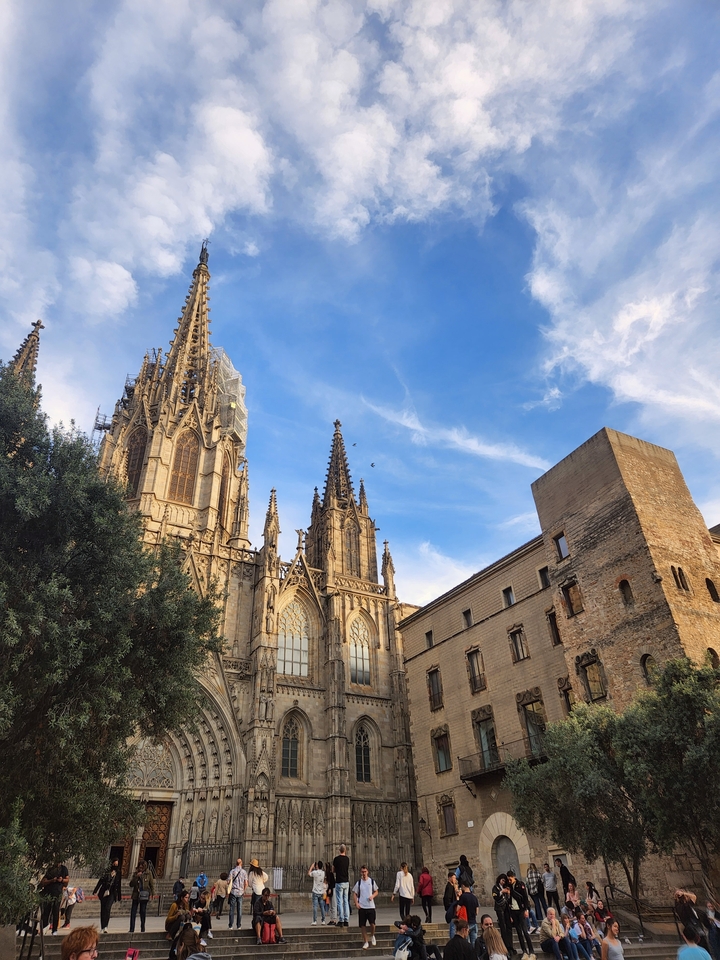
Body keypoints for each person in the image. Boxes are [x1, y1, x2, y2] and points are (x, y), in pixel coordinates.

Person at [506, 868, 534, 956]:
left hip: (520, 910)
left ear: (513, 877)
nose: (509, 881)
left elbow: (525, 897)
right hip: (513, 910)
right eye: (508, 879)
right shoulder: (508, 886)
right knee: (519, 932)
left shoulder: (520, 884)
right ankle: (524, 950)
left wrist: (526, 909)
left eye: (510, 879)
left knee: (525, 931)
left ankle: (531, 949)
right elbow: (509, 899)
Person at [352, 864, 379, 950]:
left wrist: (372, 896)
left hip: (371, 906)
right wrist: (356, 903)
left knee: (372, 924)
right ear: (361, 872)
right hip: (362, 906)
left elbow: (376, 891)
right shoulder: (359, 883)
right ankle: (366, 942)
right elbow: (355, 894)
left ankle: (372, 935)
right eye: (362, 872)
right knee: (362, 925)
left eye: (365, 872)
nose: (364, 873)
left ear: (367, 872)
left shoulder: (371, 881)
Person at [41, 863, 70, 935]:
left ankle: (54, 930)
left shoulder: (64, 869)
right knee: (46, 911)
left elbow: (67, 880)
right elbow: (43, 881)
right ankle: (44, 928)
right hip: (48, 893)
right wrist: (52, 880)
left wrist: (62, 880)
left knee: (56, 912)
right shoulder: (50, 869)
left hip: (58, 893)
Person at [129, 859, 155, 934]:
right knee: (133, 912)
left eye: (142, 867)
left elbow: (151, 884)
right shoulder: (135, 874)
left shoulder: (148, 873)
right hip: (136, 895)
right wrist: (136, 877)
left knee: (142, 911)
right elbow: (131, 884)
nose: (140, 868)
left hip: (144, 895)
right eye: (139, 867)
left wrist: (153, 893)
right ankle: (131, 928)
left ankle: (142, 927)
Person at [492, 874, 513, 955]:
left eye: (504, 881)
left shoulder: (506, 887)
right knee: (503, 927)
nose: (503, 882)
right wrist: (501, 892)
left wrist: (508, 892)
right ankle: (505, 946)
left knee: (509, 927)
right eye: (502, 880)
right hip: (499, 908)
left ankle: (510, 946)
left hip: (506, 908)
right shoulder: (496, 887)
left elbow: (509, 898)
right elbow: (495, 896)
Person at [459, 879, 480, 948]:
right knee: (474, 945)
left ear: (463, 886)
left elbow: (458, 908)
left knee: (466, 944)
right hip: (474, 922)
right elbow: (477, 911)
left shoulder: (463, 896)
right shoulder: (474, 897)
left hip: (466, 923)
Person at [334, 843, 351, 927]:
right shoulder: (347, 859)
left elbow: (333, 869)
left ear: (339, 850)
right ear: (345, 850)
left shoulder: (336, 859)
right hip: (346, 882)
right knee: (346, 901)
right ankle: (346, 920)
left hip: (339, 881)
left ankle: (341, 920)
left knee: (339, 901)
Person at [228, 857, 247, 929]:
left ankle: (230, 925)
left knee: (232, 909)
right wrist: (244, 890)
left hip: (233, 892)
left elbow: (228, 881)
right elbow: (246, 883)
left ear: (236, 864)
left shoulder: (232, 871)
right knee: (239, 909)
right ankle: (238, 925)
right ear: (241, 863)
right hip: (240, 892)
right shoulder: (244, 872)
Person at [309, 859, 327, 925]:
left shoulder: (315, 872)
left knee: (315, 907)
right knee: (322, 906)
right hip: (321, 892)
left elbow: (309, 873)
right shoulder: (323, 873)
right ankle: (323, 920)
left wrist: (311, 867)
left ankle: (315, 921)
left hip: (315, 891)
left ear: (317, 866)